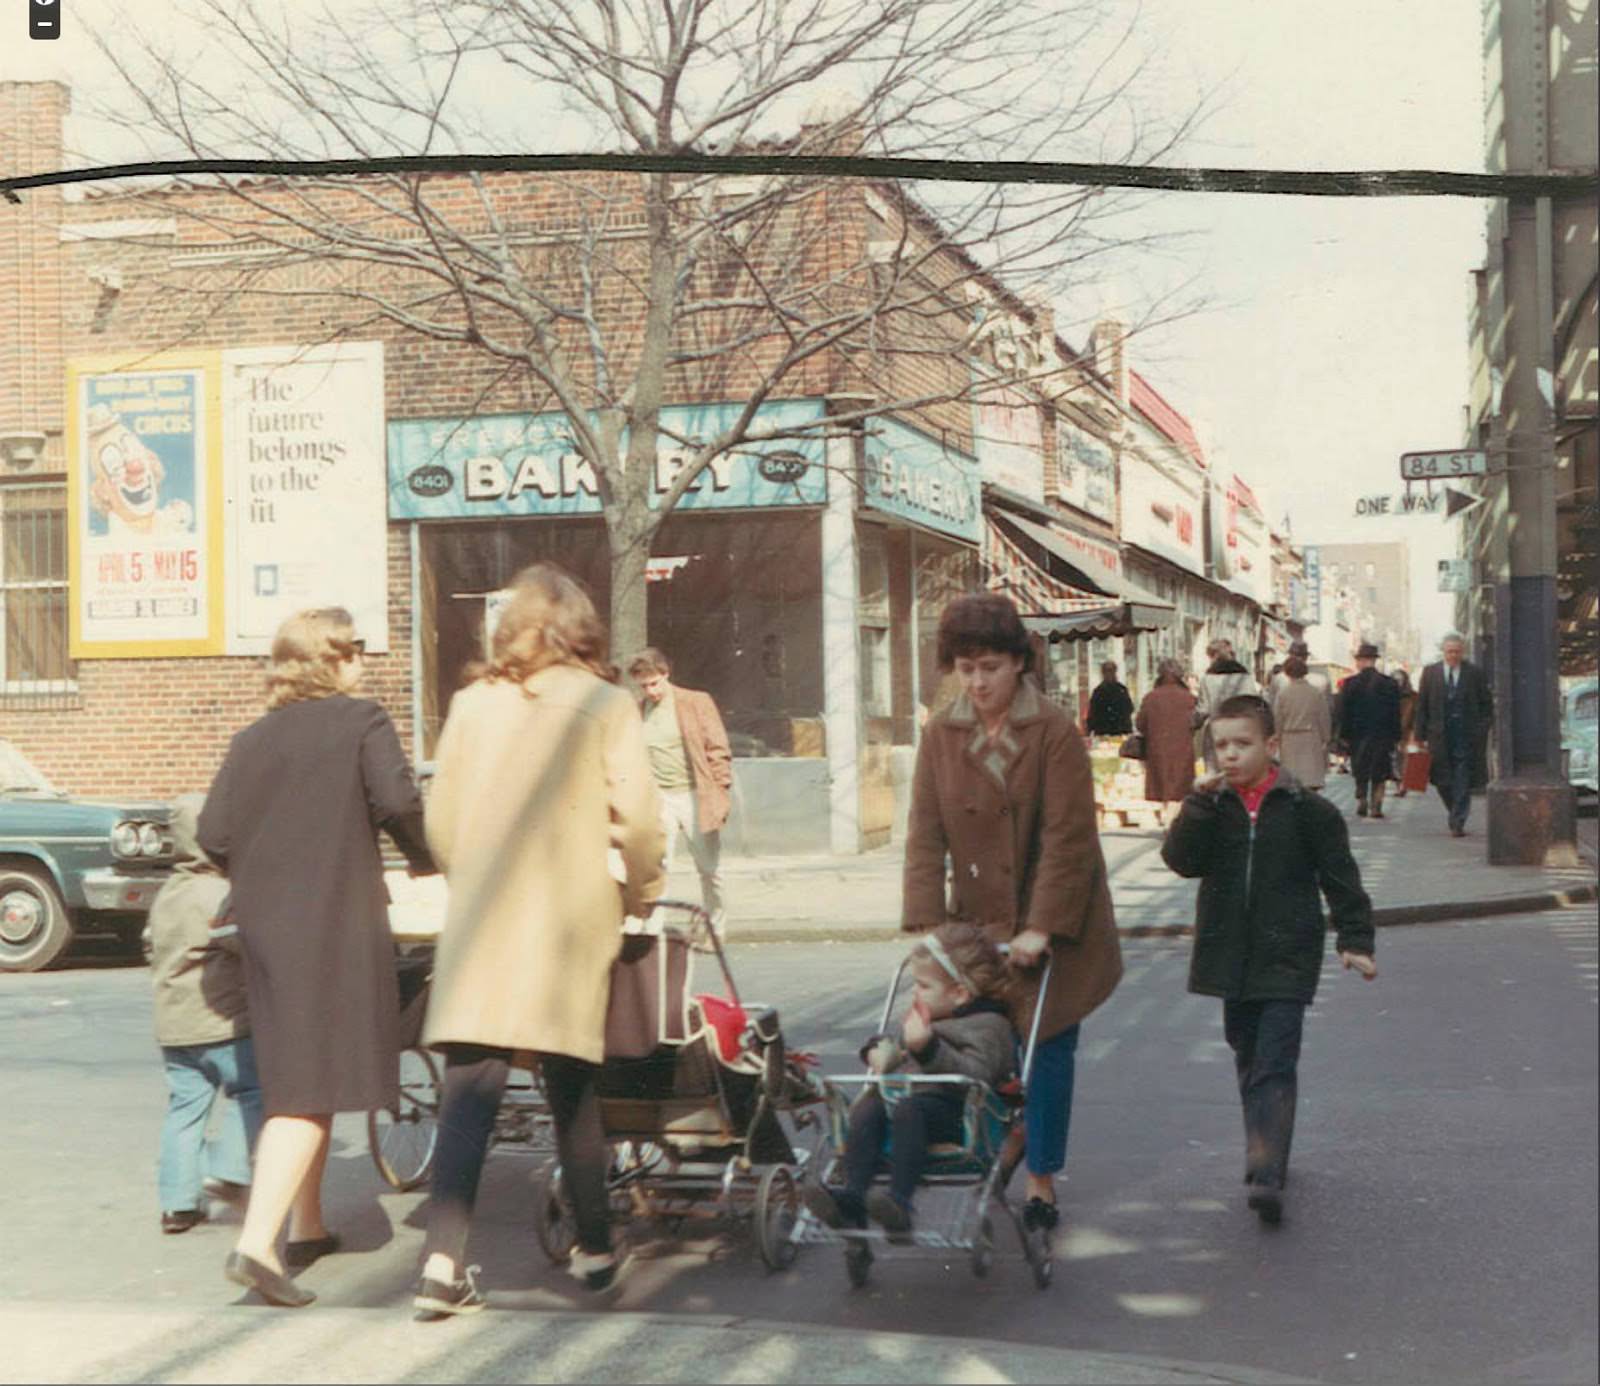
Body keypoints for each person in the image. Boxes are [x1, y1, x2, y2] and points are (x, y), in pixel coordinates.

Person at [415, 564, 666, 1319]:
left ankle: (438, 1266)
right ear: (580, 631)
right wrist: (638, 894)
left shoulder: (470, 703)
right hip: (567, 920)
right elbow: (643, 824)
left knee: (469, 1089)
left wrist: (476, 881)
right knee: (572, 1088)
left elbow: (441, 825)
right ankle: (593, 1252)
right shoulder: (605, 703)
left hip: (485, 918)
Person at [199, 607, 435, 1309]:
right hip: (333, 923)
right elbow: (397, 800)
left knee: (298, 1073)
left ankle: (308, 1224)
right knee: (313, 1083)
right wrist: (430, 858)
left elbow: (214, 833)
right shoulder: (360, 720)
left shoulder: (250, 740)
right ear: (332, 659)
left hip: (265, 930)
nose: (363, 660)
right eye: (355, 648)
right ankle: (258, 1245)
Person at [902, 592, 1123, 1236]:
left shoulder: (1051, 730)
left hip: (1055, 919)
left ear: (1019, 665)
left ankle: (1042, 1180)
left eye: (991, 668)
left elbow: (1068, 836)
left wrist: (1041, 926)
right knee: (979, 1046)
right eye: (966, 669)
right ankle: (997, 1140)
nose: (978, 682)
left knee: (1047, 1048)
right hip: (978, 924)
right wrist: (925, 923)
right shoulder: (941, 732)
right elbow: (924, 832)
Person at [1160, 695, 1376, 1224]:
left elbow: (1341, 880)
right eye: (1221, 746)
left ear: (1271, 746)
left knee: (1275, 1061)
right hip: (1229, 956)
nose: (1230, 755)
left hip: (1288, 954)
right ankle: (1267, 1145)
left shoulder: (1309, 810)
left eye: (1243, 744)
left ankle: (1266, 1167)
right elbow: (1181, 862)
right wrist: (1195, 805)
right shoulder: (1214, 807)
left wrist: (1356, 940)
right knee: (1248, 1054)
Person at [802, 923, 1016, 1235]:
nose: (915, 993)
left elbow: (977, 1074)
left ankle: (900, 1203)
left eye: (924, 986)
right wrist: (880, 1052)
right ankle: (851, 1197)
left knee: (909, 1109)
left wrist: (927, 1047)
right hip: (912, 1103)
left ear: (959, 993)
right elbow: (899, 1049)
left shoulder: (989, 1025)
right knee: (869, 1107)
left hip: (960, 1113)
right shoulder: (930, 1016)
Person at [149, 793, 261, 1235]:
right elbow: (243, 946)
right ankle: (230, 1170)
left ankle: (177, 1205)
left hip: (174, 1026)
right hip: (222, 1019)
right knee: (252, 1089)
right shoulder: (219, 894)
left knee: (184, 1110)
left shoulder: (167, 894)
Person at [627, 648, 733, 935]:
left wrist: (720, 791)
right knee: (659, 867)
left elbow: (718, 748)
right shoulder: (640, 710)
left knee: (710, 870)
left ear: (665, 674)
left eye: (654, 683)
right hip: (660, 798)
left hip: (694, 795)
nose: (650, 691)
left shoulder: (694, 702)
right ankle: (653, 931)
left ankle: (715, 927)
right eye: (643, 685)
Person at [1412, 631, 1494, 837]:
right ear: (1443, 652)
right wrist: (1419, 736)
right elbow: (1422, 706)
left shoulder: (1474, 673)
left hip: (1466, 737)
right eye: (1449, 652)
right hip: (1439, 736)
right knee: (1441, 780)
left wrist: (1481, 729)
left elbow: (1486, 704)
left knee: (1462, 778)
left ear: (1463, 652)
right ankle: (1454, 809)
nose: (1453, 656)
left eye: (1457, 652)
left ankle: (1458, 820)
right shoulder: (1430, 673)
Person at [1333, 643, 1402, 818]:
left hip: (1358, 736)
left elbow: (1342, 712)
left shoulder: (1349, 684)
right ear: (1374, 661)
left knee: (1360, 769)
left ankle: (1362, 797)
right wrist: (1396, 736)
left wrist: (1343, 736)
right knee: (1380, 771)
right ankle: (1377, 803)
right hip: (1382, 735)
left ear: (1360, 662)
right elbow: (1396, 712)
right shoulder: (1390, 684)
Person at [1135, 658, 1197, 826]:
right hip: (1182, 748)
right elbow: (1195, 722)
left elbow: (1140, 723)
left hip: (1158, 748)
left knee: (1162, 781)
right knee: (1179, 784)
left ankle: (1167, 814)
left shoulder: (1151, 697)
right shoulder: (1188, 698)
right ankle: (1172, 817)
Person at [1194, 638, 1259, 770]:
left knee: (1215, 771)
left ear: (1214, 656)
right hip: (1241, 729)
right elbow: (1253, 703)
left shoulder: (1207, 679)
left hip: (1217, 730)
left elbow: (1204, 709)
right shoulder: (1245, 677)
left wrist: (1194, 722)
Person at [1272, 656, 1331, 791]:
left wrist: (1276, 737)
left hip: (1289, 738)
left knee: (1292, 777)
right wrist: (1326, 737)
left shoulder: (1283, 694)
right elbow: (1323, 717)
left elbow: (1278, 718)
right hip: (1311, 737)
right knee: (1311, 776)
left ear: (1287, 673)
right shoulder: (1315, 692)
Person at [1085, 661, 1134, 741]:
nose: (1109, 674)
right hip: (1105, 733)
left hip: (1119, 732)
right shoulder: (1099, 692)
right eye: (1107, 671)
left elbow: (1129, 709)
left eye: (1111, 671)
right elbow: (1092, 713)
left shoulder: (1121, 690)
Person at [1391, 668, 1418, 797]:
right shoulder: (1387, 695)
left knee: (1407, 759)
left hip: (1408, 732)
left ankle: (1404, 786)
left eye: (1400, 680)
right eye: (1395, 680)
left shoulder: (1414, 696)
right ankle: (1399, 785)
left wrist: (1416, 732)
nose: (1398, 682)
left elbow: (1418, 715)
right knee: (1395, 760)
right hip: (1392, 731)